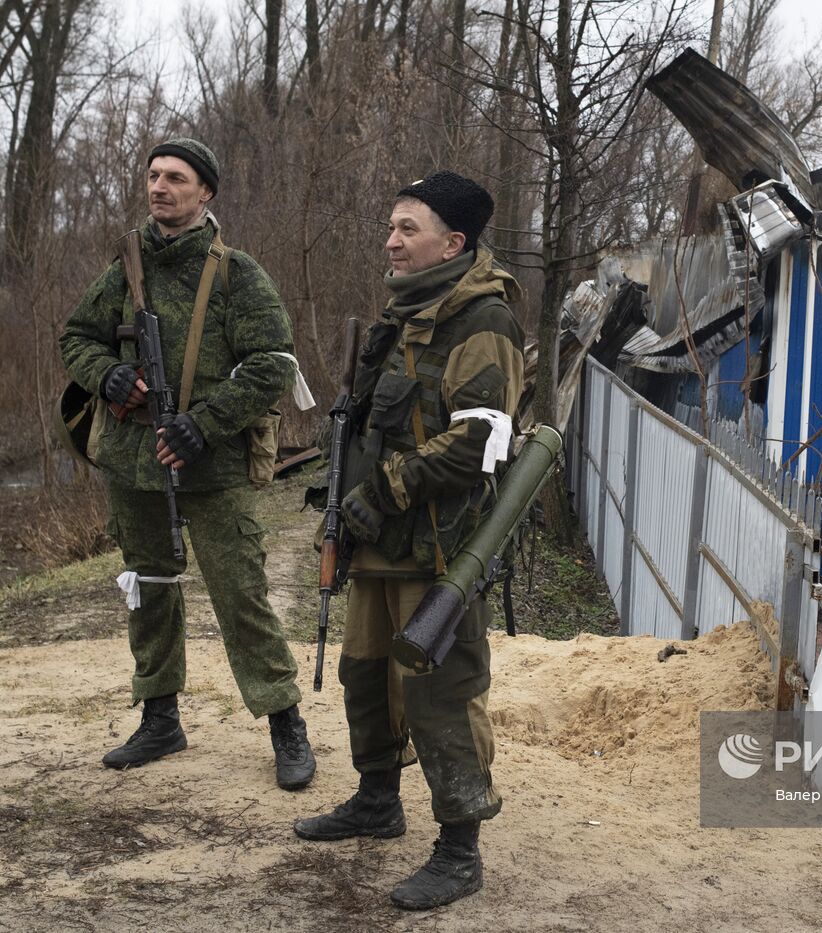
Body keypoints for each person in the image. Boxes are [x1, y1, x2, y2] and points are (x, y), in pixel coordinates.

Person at [293, 171, 525, 911]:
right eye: (390, 227)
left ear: (452, 242)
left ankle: (460, 849)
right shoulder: (402, 315)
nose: (391, 241)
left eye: (408, 229)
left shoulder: (480, 321)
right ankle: (375, 800)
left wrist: (383, 490)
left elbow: (479, 444)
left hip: (436, 550)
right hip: (380, 545)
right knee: (366, 676)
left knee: (441, 696)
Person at [59, 137, 316, 791]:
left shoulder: (236, 273)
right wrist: (110, 376)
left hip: (212, 465)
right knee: (149, 589)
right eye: (153, 175)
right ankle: (159, 716)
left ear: (205, 193)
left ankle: (286, 723)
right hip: (133, 460)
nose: (159, 187)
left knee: (241, 595)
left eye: (175, 177)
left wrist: (204, 424)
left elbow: (273, 361)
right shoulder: (127, 264)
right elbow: (76, 337)